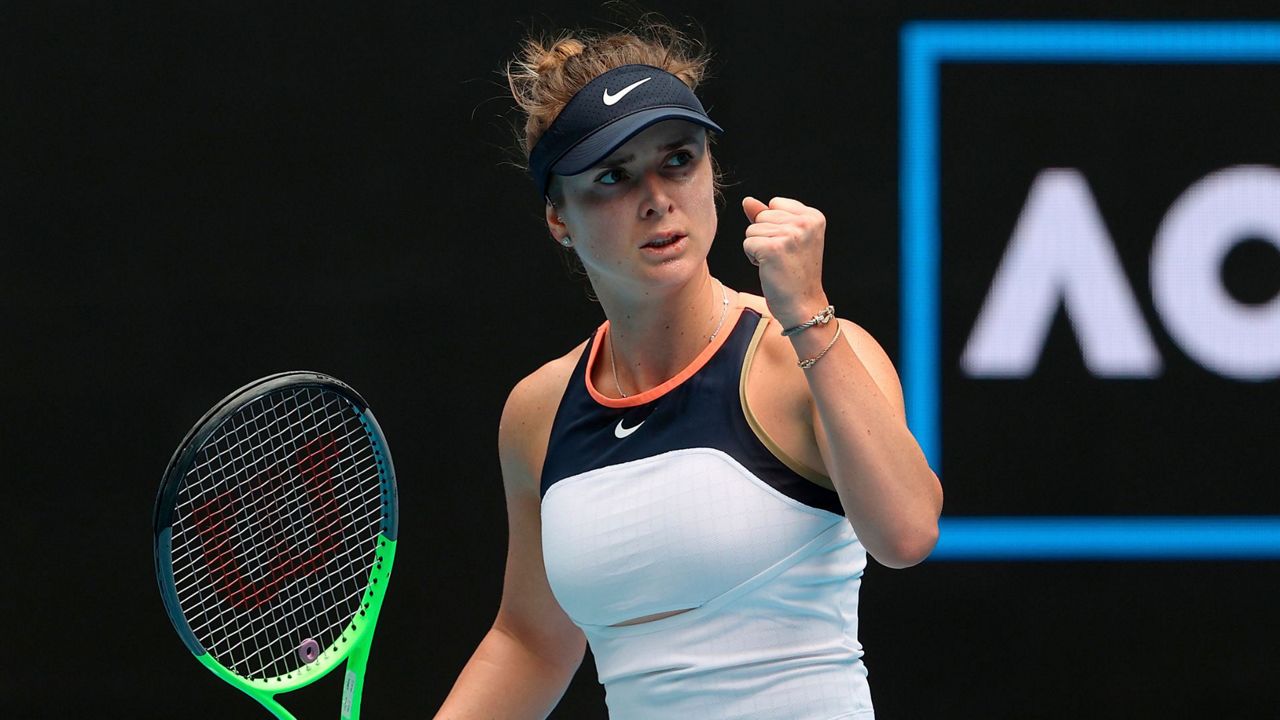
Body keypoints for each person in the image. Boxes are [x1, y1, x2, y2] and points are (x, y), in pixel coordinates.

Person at [436, 18, 942, 720]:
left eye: (678, 160)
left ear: (711, 172)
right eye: (613, 176)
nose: (656, 198)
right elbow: (531, 641)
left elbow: (908, 533)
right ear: (558, 217)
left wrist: (808, 313)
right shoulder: (539, 412)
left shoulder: (808, 354)